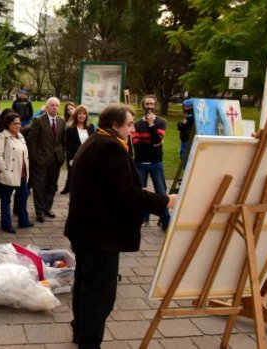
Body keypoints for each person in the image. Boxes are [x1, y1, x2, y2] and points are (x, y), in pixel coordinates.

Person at [64, 104, 177, 349]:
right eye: (128, 124)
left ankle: (81, 333)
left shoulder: (97, 141)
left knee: (85, 287)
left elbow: (113, 187)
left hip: (87, 230)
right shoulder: (109, 147)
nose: (131, 129)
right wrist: (165, 200)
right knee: (100, 297)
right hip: (99, 235)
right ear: (115, 125)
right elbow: (126, 194)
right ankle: (89, 342)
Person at [131, 95, 171, 231]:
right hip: (140, 163)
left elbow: (156, 139)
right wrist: (155, 143)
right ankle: (143, 218)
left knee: (161, 192)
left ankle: (166, 221)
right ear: (143, 105)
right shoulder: (136, 124)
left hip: (156, 163)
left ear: (155, 105)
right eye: (147, 104)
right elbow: (136, 145)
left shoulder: (161, 122)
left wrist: (151, 125)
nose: (149, 106)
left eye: (151, 104)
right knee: (142, 193)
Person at [0, 112, 33, 234]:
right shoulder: (2, 136)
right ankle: (6, 224)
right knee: (6, 200)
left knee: (23, 197)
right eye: (15, 123)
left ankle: (23, 220)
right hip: (9, 173)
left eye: (19, 123)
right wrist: (4, 169)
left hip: (22, 173)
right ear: (8, 124)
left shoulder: (20, 136)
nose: (18, 126)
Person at [27, 97, 65, 223]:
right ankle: (39, 212)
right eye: (52, 105)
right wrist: (34, 157)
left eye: (57, 105)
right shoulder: (38, 120)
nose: (55, 107)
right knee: (39, 187)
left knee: (52, 186)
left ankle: (48, 208)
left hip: (56, 159)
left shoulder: (61, 121)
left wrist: (62, 155)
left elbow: (62, 141)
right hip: (40, 159)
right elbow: (32, 140)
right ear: (47, 107)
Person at [61, 105, 95, 195]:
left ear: (86, 116)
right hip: (75, 157)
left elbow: (94, 142)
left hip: (88, 158)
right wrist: (83, 148)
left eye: (84, 114)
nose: (82, 116)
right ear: (76, 115)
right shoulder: (70, 129)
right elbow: (69, 145)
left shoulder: (91, 127)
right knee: (74, 178)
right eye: (80, 114)